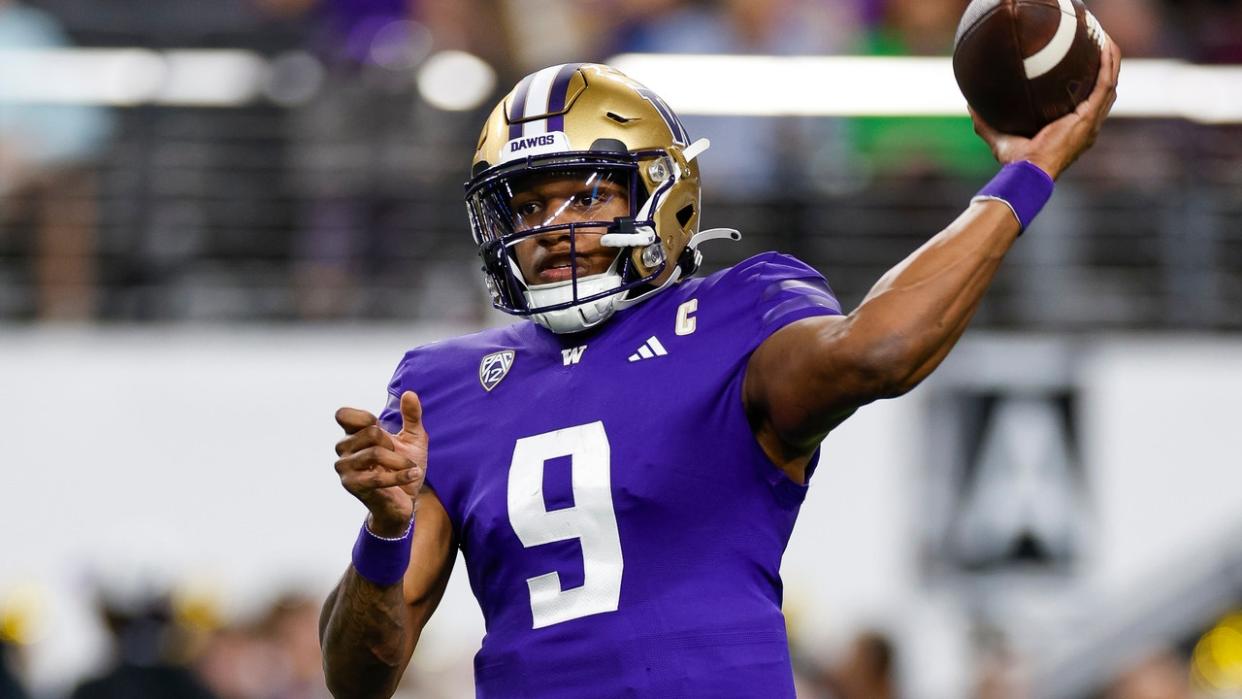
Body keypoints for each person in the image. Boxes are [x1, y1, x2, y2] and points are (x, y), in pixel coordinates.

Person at [321, 49, 1121, 698]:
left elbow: (878, 350)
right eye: (528, 206)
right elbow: (357, 678)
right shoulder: (446, 385)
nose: (555, 227)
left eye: (590, 194)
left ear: (663, 193)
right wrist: (384, 531)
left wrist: (1027, 172)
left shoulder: (738, 310)